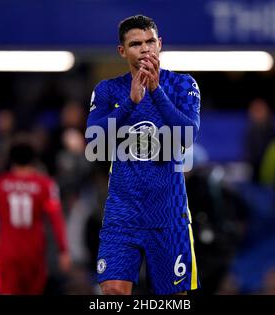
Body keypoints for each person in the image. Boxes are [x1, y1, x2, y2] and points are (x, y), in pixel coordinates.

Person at [87, 15, 201, 295]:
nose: (146, 49)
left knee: (173, 299)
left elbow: (188, 135)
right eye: (136, 44)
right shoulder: (107, 90)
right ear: (122, 51)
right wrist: (131, 103)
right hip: (122, 213)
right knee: (113, 291)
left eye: (151, 41)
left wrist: (155, 91)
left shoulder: (183, 85)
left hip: (168, 213)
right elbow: (93, 140)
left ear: (160, 44)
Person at [0, 141, 71, 294]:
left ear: (11, 159)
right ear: (33, 159)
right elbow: (56, 220)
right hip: (34, 254)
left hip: (7, 253)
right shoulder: (45, 185)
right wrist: (63, 250)